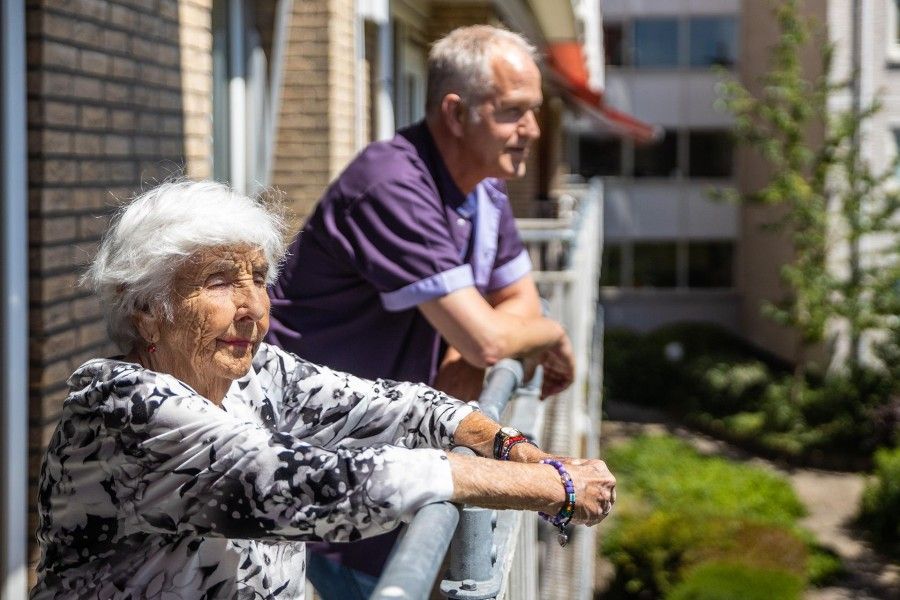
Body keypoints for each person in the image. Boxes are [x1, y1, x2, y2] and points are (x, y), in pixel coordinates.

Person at [29, 180, 616, 600]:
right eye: (218, 282)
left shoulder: (255, 374)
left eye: (257, 279)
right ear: (147, 312)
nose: (252, 309)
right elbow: (309, 485)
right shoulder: (121, 406)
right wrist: (551, 486)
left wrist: (510, 444)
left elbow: (394, 405)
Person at [266, 25, 576, 596]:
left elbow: (514, 301)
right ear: (456, 114)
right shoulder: (392, 184)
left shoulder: (483, 189)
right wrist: (545, 333)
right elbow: (494, 336)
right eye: (512, 112)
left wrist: (471, 343)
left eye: (534, 110)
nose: (532, 129)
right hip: (323, 475)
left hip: (391, 468)